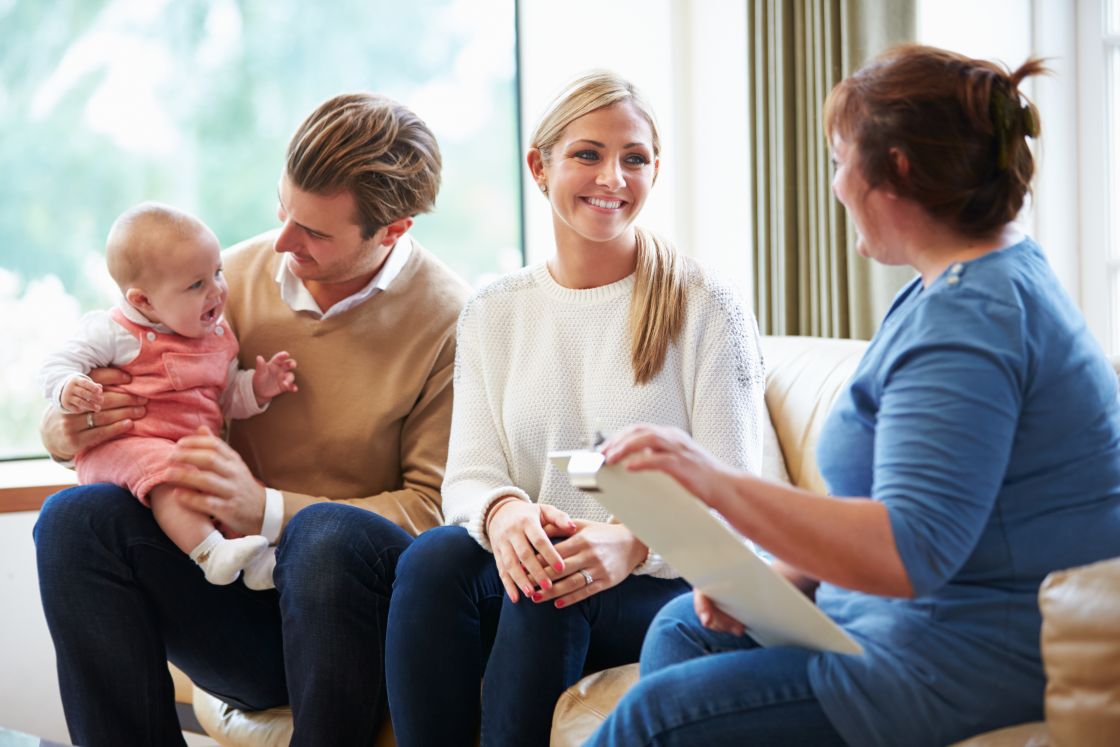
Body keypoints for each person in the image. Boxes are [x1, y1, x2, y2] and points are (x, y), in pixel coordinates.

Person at [587, 44, 1120, 747]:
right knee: (684, 624)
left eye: (840, 160)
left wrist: (712, 481)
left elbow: (910, 549)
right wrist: (776, 578)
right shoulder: (961, 282)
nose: (836, 184)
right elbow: (904, 493)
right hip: (900, 622)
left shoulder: (971, 326)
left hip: (955, 659)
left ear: (894, 168)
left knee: (653, 718)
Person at [34, 92, 470, 746]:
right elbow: (122, 373)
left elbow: (434, 510)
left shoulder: (452, 321)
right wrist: (64, 429)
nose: (283, 241)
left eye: (315, 232)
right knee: (72, 520)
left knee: (323, 534)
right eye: (282, 209)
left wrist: (268, 509)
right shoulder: (219, 278)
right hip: (237, 602)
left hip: (355, 622)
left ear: (393, 229)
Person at [384, 71, 771, 746]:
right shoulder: (493, 311)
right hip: (556, 569)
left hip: (668, 585)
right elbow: (468, 475)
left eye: (635, 158)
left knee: (552, 588)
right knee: (434, 560)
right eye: (588, 154)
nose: (612, 177)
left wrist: (634, 540)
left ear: (655, 169)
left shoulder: (707, 306)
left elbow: (737, 504)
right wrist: (504, 514)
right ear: (539, 166)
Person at [39, 203, 297, 589]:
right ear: (143, 301)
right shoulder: (114, 332)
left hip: (185, 447)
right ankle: (210, 553)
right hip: (127, 446)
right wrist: (67, 388)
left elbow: (226, 398)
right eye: (197, 285)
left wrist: (258, 388)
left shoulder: (218, 335)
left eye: (218, 273)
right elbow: (56, 364)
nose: (217, 291)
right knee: (172, 475)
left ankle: (256, 561)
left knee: (222, 480)